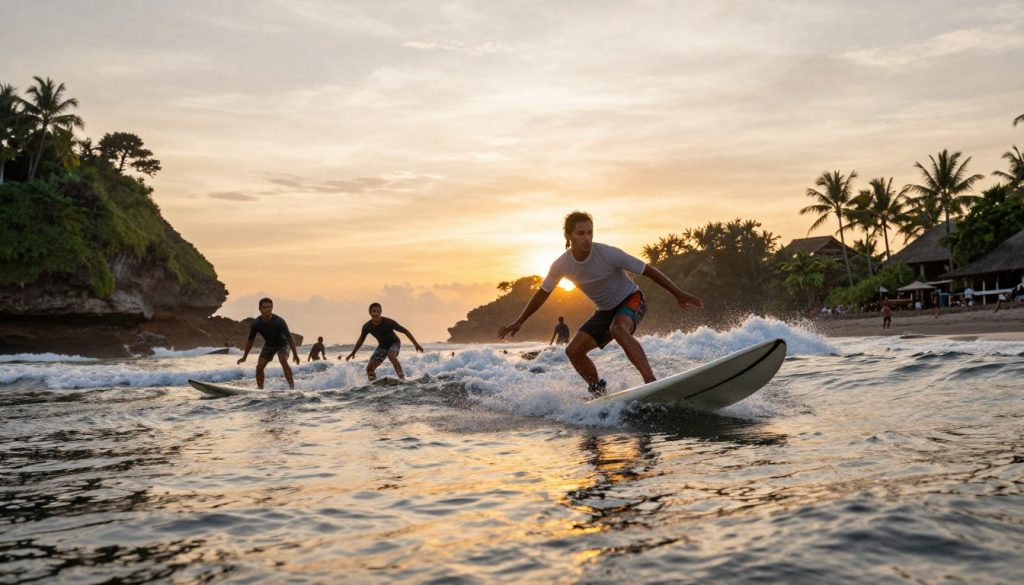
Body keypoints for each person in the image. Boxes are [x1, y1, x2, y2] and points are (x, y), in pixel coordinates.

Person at [498, 211, 702, 397]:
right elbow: (543, 293)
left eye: (589, 232)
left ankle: (651, 382)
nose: (586, 238)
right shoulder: (561, 265)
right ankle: (598, 391)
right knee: (573, 350)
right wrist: (520, 321)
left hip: (631, 298)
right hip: (605, 310)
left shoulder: (607, 254)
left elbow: (647, 269)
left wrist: (678, 293)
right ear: (569, 236)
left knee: (618, 330)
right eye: (580, 233)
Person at [342, 302, 424, 381]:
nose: (376, 313)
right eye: (374, 311)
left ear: (381, 312)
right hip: (382, 347)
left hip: (394, 343)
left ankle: (401, 378)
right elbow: (361, 339)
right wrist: (353, 352)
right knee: (369, 369)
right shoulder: (367, 326)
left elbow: (405, 331)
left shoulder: (388, 322)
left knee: (391, 354)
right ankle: (373, 384)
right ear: (370, 313)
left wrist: (416, 344)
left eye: (378, 311)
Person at [237, 297, 300, 389]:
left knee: (282, 359)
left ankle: (291, 387)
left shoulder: (279, 321)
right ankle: (260, 388)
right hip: (269, 345)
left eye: (270, 307)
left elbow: (290, 338)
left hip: (283, 344)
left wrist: (295, 354)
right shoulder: (256, 323)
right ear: (260, 309)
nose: (268, 309)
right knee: (259, 367)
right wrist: (244, 357)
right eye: (265, 307)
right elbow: (250, 341)